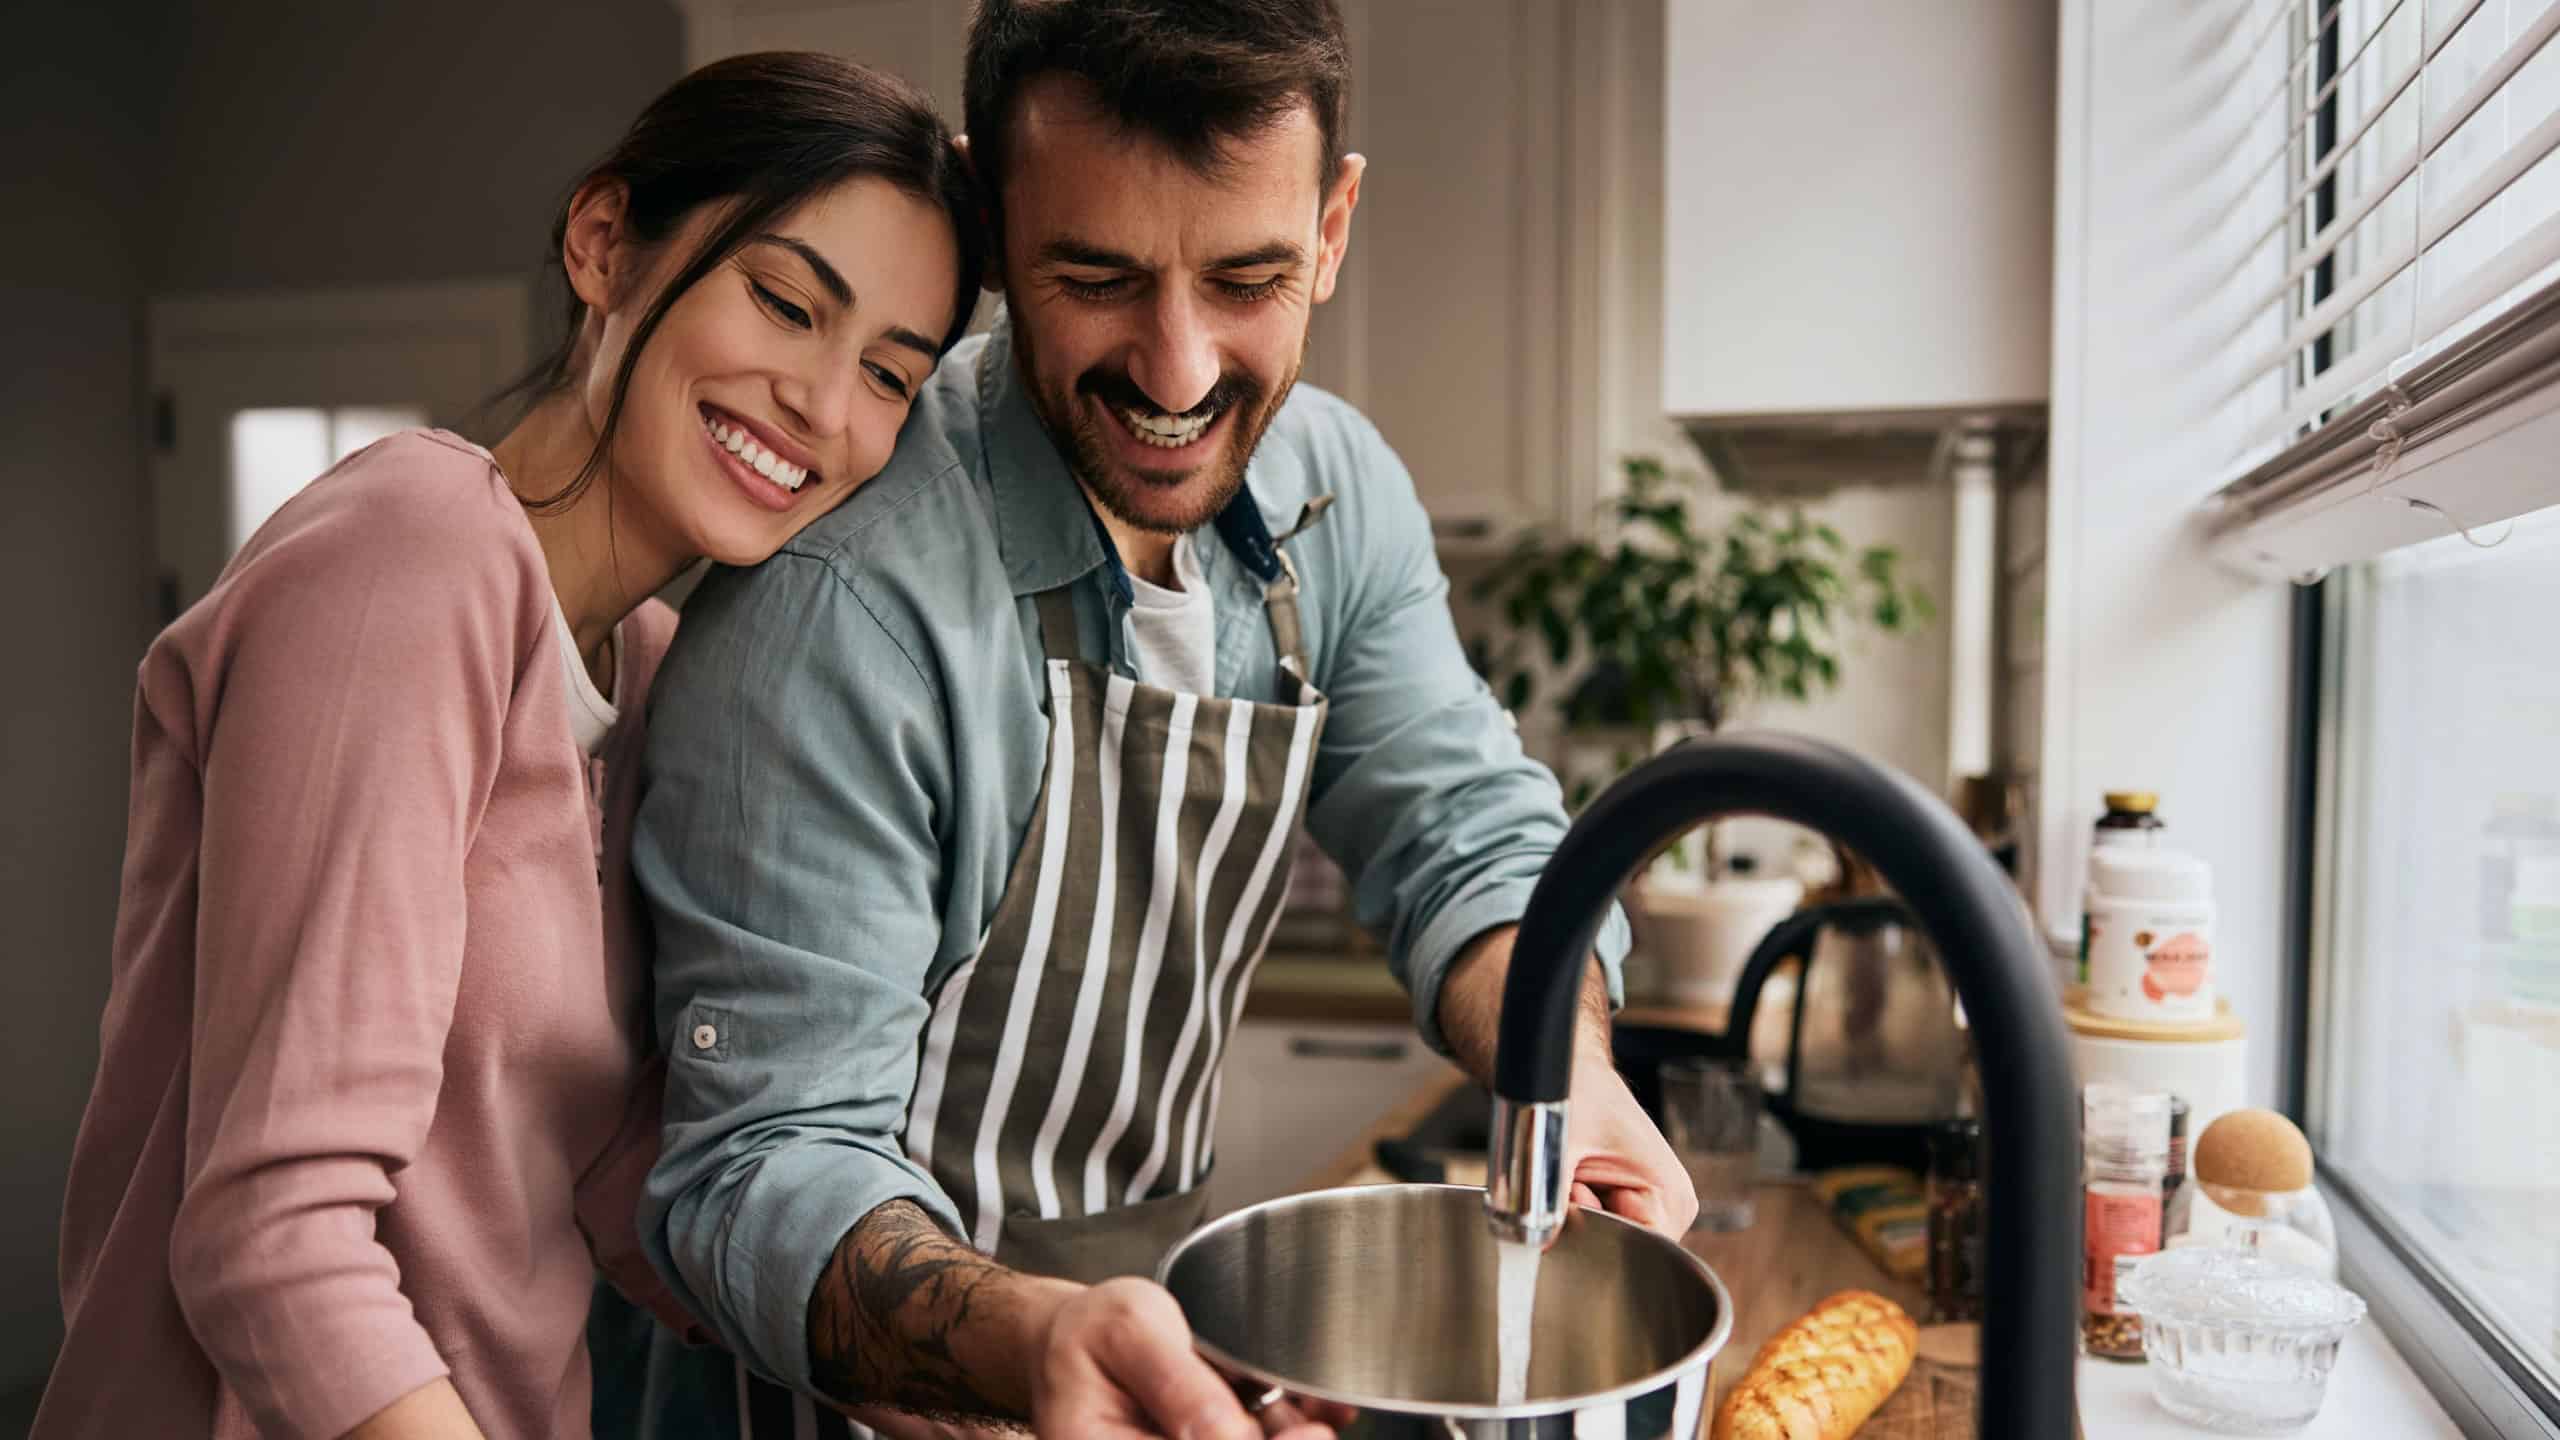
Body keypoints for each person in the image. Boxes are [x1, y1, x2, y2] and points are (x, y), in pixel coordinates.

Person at [627, 3, 1701, 1437]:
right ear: (991, 221)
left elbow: (1462, 836)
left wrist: (1567, 1079)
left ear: (1333, 226)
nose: (1179, 373)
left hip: (1139, 1369)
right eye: (1098, 277)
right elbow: (763, 1165)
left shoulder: (1333, 495)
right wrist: (1038, 1344)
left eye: (1249, 279)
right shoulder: (842, 607)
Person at [33, 52, 979, 1440]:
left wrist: (964, 1376)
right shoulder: (411, 556)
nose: (825, 409)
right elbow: (269, 1237)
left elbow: (619, 1178)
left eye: (891, 376)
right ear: (605, 244)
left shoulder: (650, 675)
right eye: (785, 303)